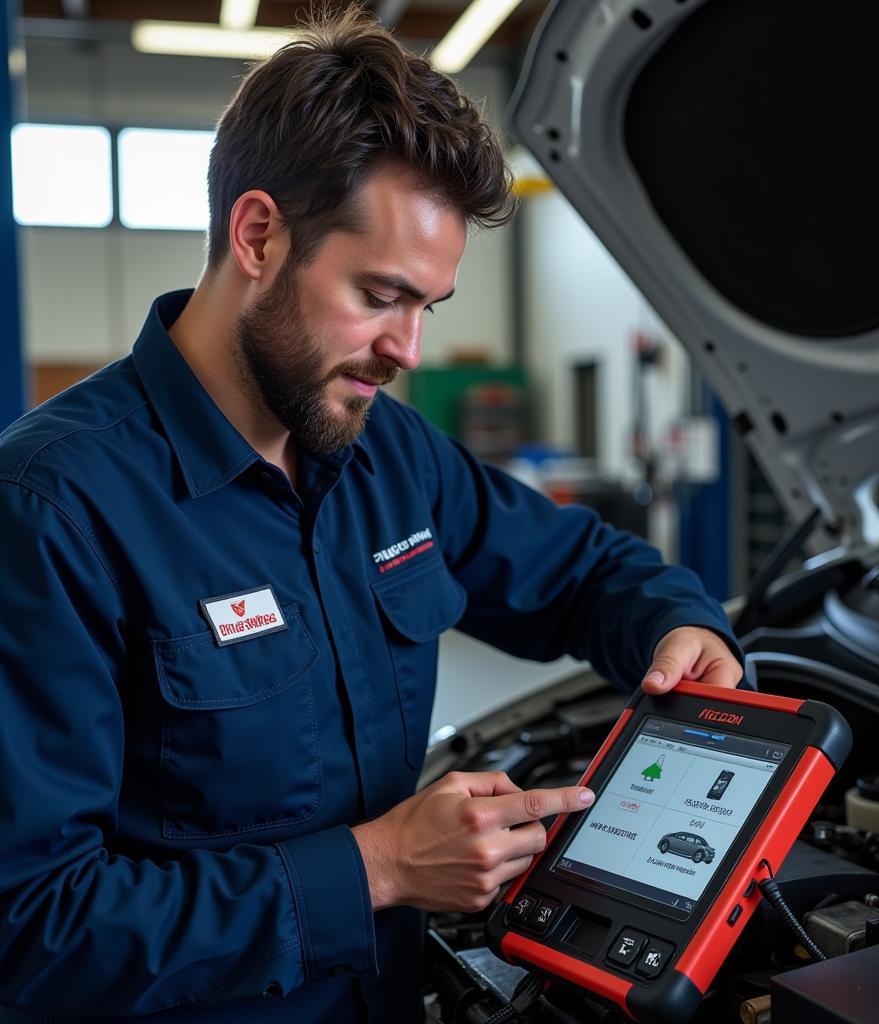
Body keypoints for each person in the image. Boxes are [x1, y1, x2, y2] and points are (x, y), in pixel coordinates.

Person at [0, 9, 743, 1022]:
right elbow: (30, 927)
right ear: (257, 234)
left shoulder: (386, 452)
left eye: (427, 305)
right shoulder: (56, 509)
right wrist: (376, 871)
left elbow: (579, 570)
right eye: (380, 294)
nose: (409, 350)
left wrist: (678, 623)